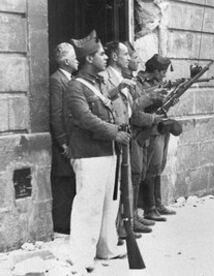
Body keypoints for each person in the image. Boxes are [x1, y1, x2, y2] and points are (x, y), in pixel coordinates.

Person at [64, 31, 131, 272]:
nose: (106, 58)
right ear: (89, 59)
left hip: (106, 152)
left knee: (108, 204)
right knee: (88, 206)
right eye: (102, 54)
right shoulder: (75, 87)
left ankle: (106, 248)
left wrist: (117, 91)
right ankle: (81, 258)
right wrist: (115, 132)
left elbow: (102, 106)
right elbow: (85, 119)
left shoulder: (96, 84)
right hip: (88, 155)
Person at [100, 41, 158, 237]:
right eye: (125, 55)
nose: (129, 58)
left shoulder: (123, 78)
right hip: (115, 134)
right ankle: (121, 225)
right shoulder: (106, 77)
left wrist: (151, 96)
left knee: (129, 178)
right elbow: (102, 102)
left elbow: (131, 108)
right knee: (119, 182)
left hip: (126, 134)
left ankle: (128, 221)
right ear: (115, 57)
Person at [136, 54, 180, 221]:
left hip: (160, 127)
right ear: (154, 71)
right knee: (151, 167)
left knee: (159, 166)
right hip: (149, 128)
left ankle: (158, 203)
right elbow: (140, 104)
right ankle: (149, 207)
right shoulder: (141, 83)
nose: (164, 76)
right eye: (162, 72)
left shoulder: (156, 83)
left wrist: (170, 100)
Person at [49, 42, 78, 234]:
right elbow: (56, 114)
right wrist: (63, 142)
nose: (77, 61)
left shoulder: (69, 79)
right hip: (64, 142)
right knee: (64, 181)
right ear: (66, 61)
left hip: (73, 139)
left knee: (71, 180)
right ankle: (62, 224)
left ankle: (69, 222)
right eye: (74, 57)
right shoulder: (56, 80)